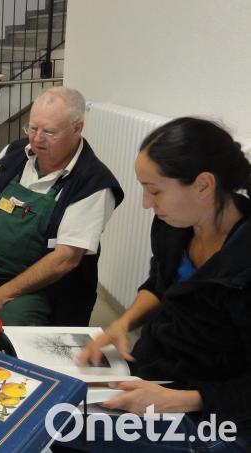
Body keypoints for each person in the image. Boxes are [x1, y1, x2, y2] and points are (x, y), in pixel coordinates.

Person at [68, 118, 251, 452]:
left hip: (221, 412)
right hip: (162, 373)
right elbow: (160, 283)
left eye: (154, 191)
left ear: (203, 185)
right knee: (54, 409)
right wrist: (124, 322)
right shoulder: (175, 225)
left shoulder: (243, 263)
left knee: (66, 432)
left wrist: (179, 401)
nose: (146, 204)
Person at [0, 87, 124, 326]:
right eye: (33, 128)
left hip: (35, 289)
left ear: (77, 128)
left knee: (5, 336)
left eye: (49, 132)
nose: (37, 139)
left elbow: (65, 258)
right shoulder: (16, 153)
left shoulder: (93, 182)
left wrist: (2, 295)